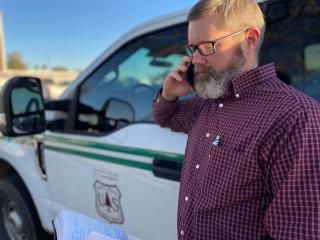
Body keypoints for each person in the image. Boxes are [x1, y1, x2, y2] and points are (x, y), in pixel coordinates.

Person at [152, 0, 320, 239]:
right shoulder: (207, 102)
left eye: (207, 46)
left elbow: (299, 232)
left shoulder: (295, 116)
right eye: (192, 49)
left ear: (249, 39)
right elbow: (165, 116)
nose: (197, 60)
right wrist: (169, 94)